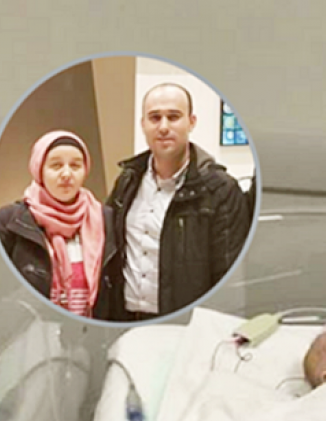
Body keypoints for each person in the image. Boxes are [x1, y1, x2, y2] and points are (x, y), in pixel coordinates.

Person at [105, 83, 251, 321]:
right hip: (125, 320)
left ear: (191, 122)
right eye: (154, 118)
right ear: (143, 124)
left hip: (184, 326)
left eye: (173, 117)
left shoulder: (220, 190)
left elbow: (228, 279)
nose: (163, 127)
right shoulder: (127, 181)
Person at [0, 131, 117, 319]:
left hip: (91, 331)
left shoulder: (105, 218)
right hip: (35, 331)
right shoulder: (11, 220)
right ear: (39, 170)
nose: (66, 174)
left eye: (75, 165)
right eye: (56, 165)